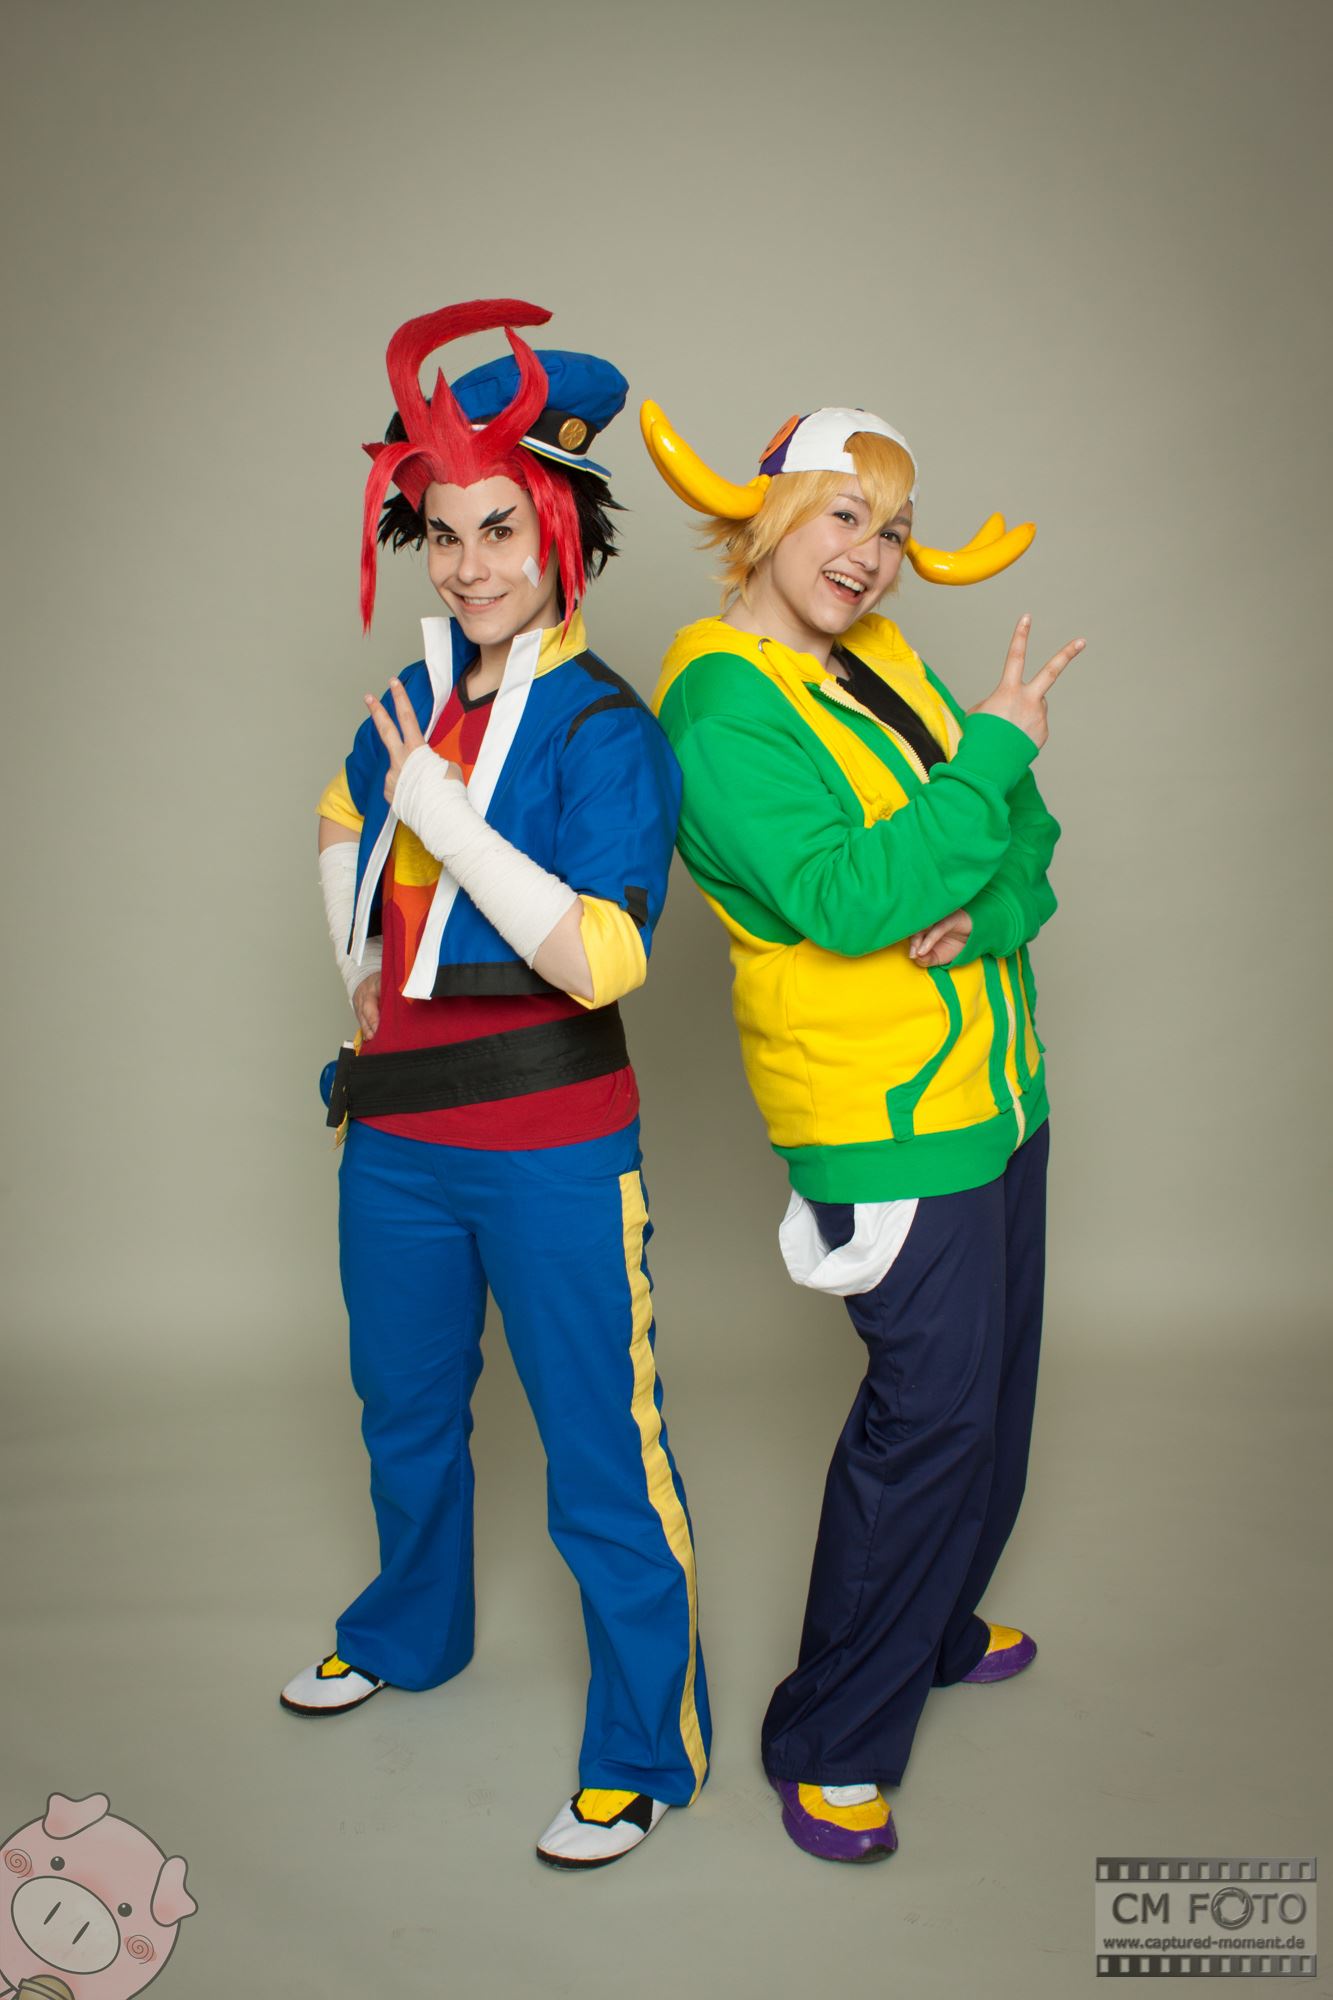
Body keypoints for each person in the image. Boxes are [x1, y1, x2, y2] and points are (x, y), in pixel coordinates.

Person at [281, 299, 709, 1871]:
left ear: (563, 531)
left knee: (601, 1452)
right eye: (442, 535)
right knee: (403, 1414)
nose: (467, 568)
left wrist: (447, 820)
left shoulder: (606, 729)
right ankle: (409, 1633)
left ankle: (642, 1749)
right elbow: (341, 818)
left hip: (549, 1143)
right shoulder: (416, 702)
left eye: (499, 529)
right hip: (394, 1137)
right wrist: (358, 954)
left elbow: (601, 959)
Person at [641, 397, 1084, 1862]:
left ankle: (933, 1626)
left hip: (997, 1090)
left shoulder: (879, 654)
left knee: (994, 1397)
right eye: (846, 515)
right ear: (771, 516)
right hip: (887, 1120)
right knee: (930, 1416)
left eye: (893, 530)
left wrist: (984, 912)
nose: (872, 554)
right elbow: (846, 899)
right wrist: (991, 757)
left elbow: (1024, 845)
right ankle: (832, 1736)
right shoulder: (718, 706)